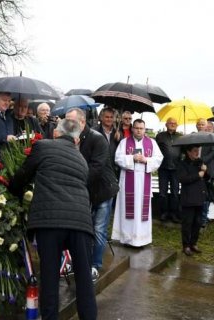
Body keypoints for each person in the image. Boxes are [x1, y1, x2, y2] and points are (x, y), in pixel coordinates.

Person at [8, 118, 98, 320]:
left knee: (49, 278)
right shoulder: (81, 160)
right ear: (76, 139)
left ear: (56, 134)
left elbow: (23, 175)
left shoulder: (43, 146)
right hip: (81, 223)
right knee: (84, 281)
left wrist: (13, 190)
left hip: (50, 221)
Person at [65, 108, 119, 282]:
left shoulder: (97, 139)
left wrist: (76, 182)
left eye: (70, 121)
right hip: (84, 190)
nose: (67, 124)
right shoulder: (70, 136)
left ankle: (95, 266)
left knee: (98, 229)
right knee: (81, 229)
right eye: (66, 120)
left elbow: (96, 168)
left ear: (82, 122)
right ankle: (78, 262)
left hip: (102, 190)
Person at [112, 119, 164, 247]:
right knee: (127, 210)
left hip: (143, 182)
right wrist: (132, 158)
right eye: (136, 128)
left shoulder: (152, 143)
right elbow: (117, 158)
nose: (139, 130)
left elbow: (159, 158)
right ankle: (127, 239)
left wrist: (146, 160)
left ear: (145, 129)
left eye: (141, 128)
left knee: (141, 210)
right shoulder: (124, 142)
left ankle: (142, 239)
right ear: (132, 129)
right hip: (128, 182)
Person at [177, 145, 209, 256]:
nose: (197, 153)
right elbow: (183, 179)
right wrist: (197, 175)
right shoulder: (182, 164)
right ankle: (185, 245)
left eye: (198, 151)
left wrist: (205, 171)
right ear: (188, 152)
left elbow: (207, 178)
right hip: (188, 197)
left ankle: (193, 243)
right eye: (195, 151)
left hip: (200, 196)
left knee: (198, 222)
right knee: (188, 223)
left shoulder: (200, 162)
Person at [155, 118, 183, 223]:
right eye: (170, 123)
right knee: (163, 192)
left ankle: (174, 213)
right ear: (166, 124)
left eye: (174, 123)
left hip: (176, 169)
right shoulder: (160, 136)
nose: (172, 124)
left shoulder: (181, 137)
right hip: (163, 168)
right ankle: (164, 213)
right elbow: (155, 150)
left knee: (175, 193)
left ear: (177, 125)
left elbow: (184, 151)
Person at [94, 107, 120, 177]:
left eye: (111, 117)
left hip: (113, 169)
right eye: (107, 117)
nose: (109, 119)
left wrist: (119, 139)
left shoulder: (117, 133)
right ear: (101, 118)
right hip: (99, 169)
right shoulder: (94, 131)